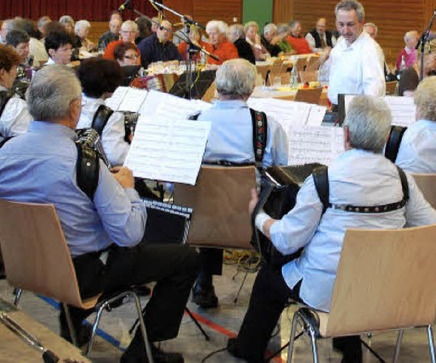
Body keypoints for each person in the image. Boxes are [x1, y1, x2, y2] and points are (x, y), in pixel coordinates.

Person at [0, 65, 199, 362]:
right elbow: (129, 234)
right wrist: (129, 190)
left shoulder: (5, 152)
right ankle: (141, 353)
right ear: (74, 109)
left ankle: (74, 324)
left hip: (25, 265)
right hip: (82, 273)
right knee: (186, 258)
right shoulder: (85, 162)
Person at [227, 95, 436, 363]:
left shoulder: (323, 181)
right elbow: (433, 229)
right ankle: (350, 351)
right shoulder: (402, 180)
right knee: (350, 268)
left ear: (346, 134)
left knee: (270, 277)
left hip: (329, 293)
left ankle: (248, 349)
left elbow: (285, 240)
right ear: (386, 137)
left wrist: (258, 216)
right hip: (384, 291)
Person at [193, 59, 288, 308]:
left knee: (210, 198)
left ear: (217, 85)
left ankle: (204, 281)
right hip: (251, 217)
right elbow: (281, 172)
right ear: (251, 88)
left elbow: (177, 180)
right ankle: (268, 283)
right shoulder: (266, 125)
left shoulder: (193, 121)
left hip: (202, 218)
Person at [326, 0, 385, 105]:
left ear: (361, 22)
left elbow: (374, 92)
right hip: (336, 108)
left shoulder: (370, 49)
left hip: (357, 112)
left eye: (350, 24)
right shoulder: (340, 44)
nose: (345, 30)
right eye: (341, 24)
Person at [76, 58, 131, 166]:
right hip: (98, 173)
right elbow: (117, 157)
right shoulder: (111, 118)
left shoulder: (72, 105)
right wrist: (133, 145)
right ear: (112, 86)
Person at [0, 45, 31, 143]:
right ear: (2, 73)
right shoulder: (13, 106)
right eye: (14, 69)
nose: (15, 74)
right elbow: (28, 142)